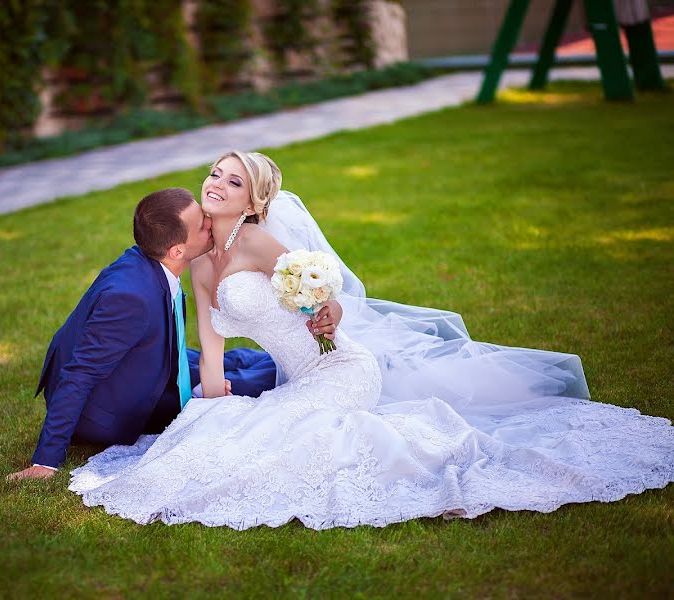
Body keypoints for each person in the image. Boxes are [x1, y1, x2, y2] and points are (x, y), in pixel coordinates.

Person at [67, 151, 674, 529]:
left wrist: (326, 312)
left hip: (345, 368)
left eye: (232, 180)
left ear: (254, 201)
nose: (216, 184)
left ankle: (440, 470)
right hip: (297, 375)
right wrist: (212, 384)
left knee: (283, 434)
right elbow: (209, 329)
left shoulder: (258, 244)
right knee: (221, 424)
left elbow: (321, 295)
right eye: (213, 174)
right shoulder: (202, 261)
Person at [7, 187, 341, 481]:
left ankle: (227, 372)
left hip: (147, 360)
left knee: (246, 360)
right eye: (201, 225)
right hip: (109, 407)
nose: (209, 221)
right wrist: (46, 461)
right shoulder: (129, 298)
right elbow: (79, 373)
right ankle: (207, 386)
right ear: (178, 250)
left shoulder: (150, 257)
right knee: (263, 381)